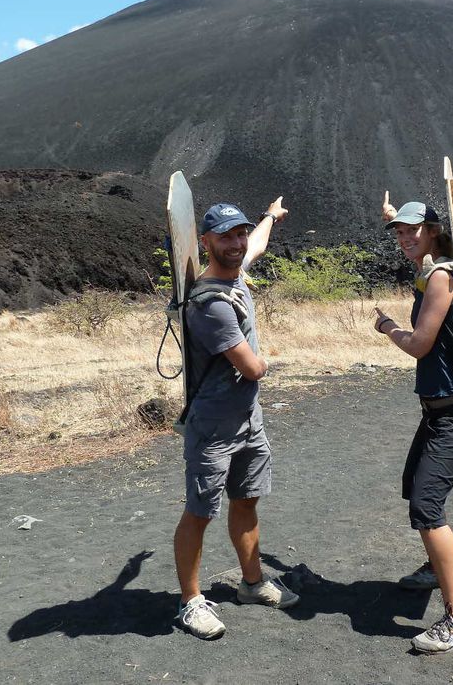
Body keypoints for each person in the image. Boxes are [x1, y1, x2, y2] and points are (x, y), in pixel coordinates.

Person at [173, 196, 298, 640]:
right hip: (214, 426)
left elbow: (257, 246)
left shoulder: (236, 274)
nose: (237, 242)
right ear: (205, 241)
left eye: (239, 233)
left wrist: (270, 216)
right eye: (225, 235)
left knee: (246, 500)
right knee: (200, 511)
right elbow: (251, 367)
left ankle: (251, 583)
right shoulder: (211, 304)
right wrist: (270, 361)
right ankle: (190, 602)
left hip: (248, 418)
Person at [373, 192, 453, 654]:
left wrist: (387, 328)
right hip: (438, 409)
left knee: (426, 506)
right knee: (413, 486)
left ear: (435, 231)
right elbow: (421, 268)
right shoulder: (431, 272)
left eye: (412, 230)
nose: (403, 238)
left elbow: (419, 345)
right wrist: (396, 217)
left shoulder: (441, 278)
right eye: (398, 232)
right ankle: (434, 569)